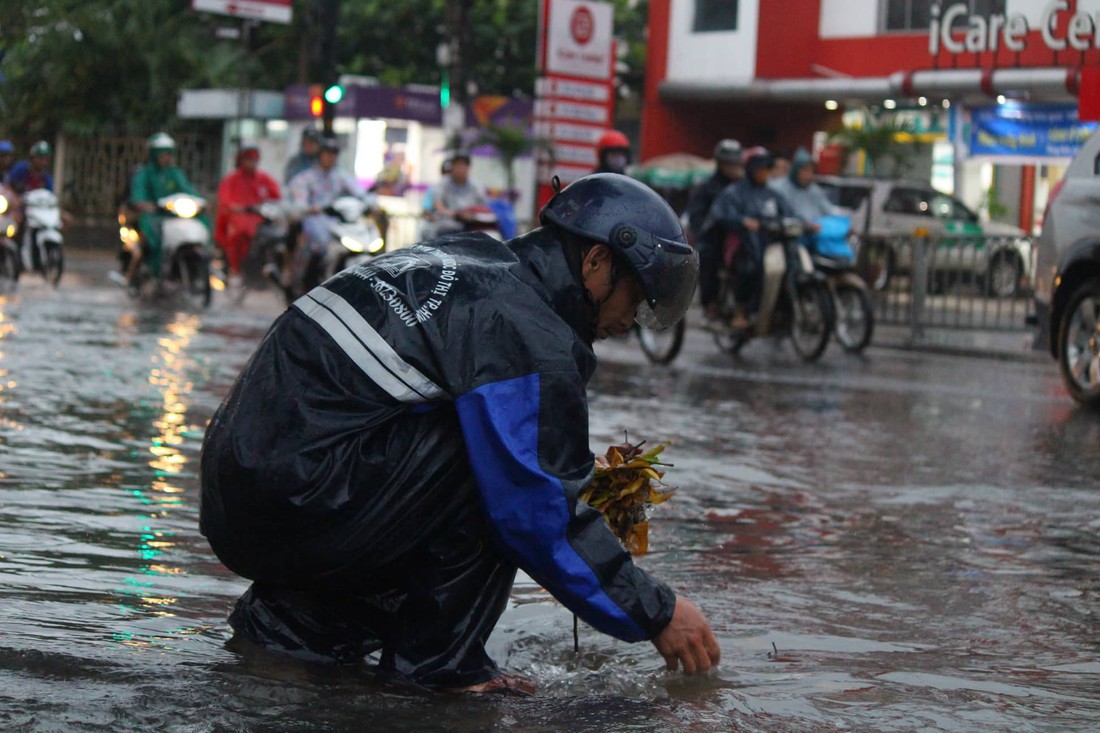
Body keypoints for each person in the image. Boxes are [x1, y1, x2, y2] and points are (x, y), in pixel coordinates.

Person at [199, 172, 719, 694]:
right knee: (497, 465)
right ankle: (437, 668)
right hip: (296, 499)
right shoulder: (527, 329)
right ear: (596, 262)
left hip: (245, 493)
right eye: (633, 297)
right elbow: (532, 511)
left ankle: (293, 626)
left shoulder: (472, 260)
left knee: (480, 445)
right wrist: (656, 611)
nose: (630, 320)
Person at [704, 147, 795, 330]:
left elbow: (790, 214)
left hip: (770, 245)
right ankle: (741, 310)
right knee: (749, 267)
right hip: (741, 245)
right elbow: (721, 214)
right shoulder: (734, 192)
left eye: (767, 169)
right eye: (761, 169)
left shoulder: (773, 194)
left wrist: (803, 223)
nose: (765, 174)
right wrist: (742, 222)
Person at [285, 135, 366, 291]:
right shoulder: (305, 178)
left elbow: (359, 193)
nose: (331, 157)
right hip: (313, 221)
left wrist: (372, 203)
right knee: (320, 246)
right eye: (327, 153)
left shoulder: (340, 176)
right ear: (320, 155)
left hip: (337, 222)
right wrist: (312, 208)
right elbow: (298, 203)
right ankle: (306, 282)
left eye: (334, 154)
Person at [128, 132, 208, 283]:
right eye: (164, 154)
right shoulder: (144, 173)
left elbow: (187, 189)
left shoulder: (174, 173)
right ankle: (152, 269)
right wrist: (144, 204)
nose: (167, 157)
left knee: (203, 221)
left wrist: (200, 202)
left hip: (173, 215)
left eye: (169, 154)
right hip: (154, 216)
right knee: (153, 237)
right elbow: (138, 195)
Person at [683, 139, 744, 322]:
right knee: (708, 258)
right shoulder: (707, 187)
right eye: (728, 163)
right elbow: (697, 215)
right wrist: (705, 229)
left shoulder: (744, 187)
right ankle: (711, 303)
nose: (732, 167)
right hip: (715, 237)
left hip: (741, 237)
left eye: (735, 163)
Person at [215, 143, 281, 279]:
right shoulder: (231, 179)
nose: (252, 163)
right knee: (236, 233)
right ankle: (233, 268)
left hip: (259, 217)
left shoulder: (263, 178)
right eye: (249, 159)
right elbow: (225, 199)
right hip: (239, 218)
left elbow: (276, 195)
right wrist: (235, 207)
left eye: (255, 159)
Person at [769, 147, 840, 232]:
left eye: (811, 170)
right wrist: (804, 225)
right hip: (789, 235)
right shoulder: (778, 188)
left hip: (816, 234)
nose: (808, 175)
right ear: (795, 170)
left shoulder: (814, 190)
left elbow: (829, 210)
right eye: (804, 170)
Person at [431, 152, 487, 235]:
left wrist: (471, 214)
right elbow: (438, 204)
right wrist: (455, 214)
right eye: (457, 165)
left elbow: (483, 206)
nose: (460, 169)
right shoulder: (443, 184)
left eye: (463, 165)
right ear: (452, 167)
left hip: (472, 223)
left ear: (468, 168)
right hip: (449, 222)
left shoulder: (476, 186)